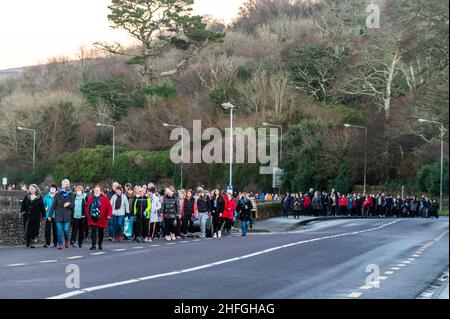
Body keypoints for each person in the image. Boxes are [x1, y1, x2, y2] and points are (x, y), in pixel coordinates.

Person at [85, 185, 112, 250]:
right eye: (95, 190)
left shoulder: (104, 198)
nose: (96, 191)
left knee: (101, 232)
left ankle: (100, 244)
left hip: (102, 218)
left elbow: (109, 207)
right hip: (92, 218)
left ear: (100, 191)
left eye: (98, 190)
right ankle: (93, 245)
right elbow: (87, 207)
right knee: (93, 232)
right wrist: (88, 215)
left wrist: (109, 215)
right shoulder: (91, 198)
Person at [50, 179, 75, 250]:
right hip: (58, 215)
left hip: (67, 216)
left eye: (66, 184)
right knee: (59, 230)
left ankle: (67, 240)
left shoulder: (71, 194)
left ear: (68, 185)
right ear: (61, 185)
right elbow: (53, 205)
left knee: (66, 230)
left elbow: (73, 205)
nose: (65, 185)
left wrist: (69, 204)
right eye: (63, 184)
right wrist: (50, 215)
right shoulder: (58, 194)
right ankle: (60, 243)